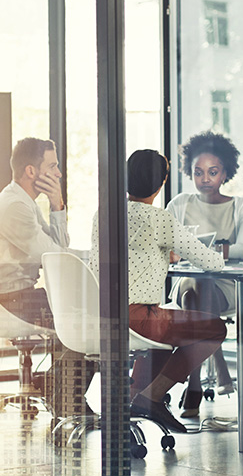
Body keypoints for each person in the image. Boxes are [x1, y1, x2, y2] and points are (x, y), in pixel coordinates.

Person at [89, 149, 227, 433]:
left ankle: (136, 400)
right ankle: (151, 398)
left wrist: (162, 253)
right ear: (162, 182)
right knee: (214, 328)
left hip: (102, 313)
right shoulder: (160, 219)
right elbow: (212, 261)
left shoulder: (102, 214)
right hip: (139, 319)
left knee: (166, 321)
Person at [0, 137, 95, 416]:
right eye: (52, 166)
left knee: (81, 310)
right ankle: (65, 394)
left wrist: (57, 206)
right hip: (11, 303)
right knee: (86, 316)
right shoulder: (15, 207)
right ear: (31, 171)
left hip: (15, 297)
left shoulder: (22, 202)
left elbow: (57, 249)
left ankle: (55, 385)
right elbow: (56, 257)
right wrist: (57, 202)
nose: (59, 173)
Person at [166, 131, 243, 416]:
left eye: (213, 172)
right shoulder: (180, 204)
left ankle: (194, 386)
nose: (205, 179)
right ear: (189, 172)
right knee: (194, 287)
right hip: (186, 284)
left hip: (227, 286)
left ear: (225, 172)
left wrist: (201, 248)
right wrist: (219, 247)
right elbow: (166, 245)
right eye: (198, 172)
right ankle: (215, 370)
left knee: (200, 291)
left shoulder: (241, 205)